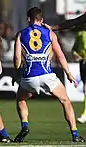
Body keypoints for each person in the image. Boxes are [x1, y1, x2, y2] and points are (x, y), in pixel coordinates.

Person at [13, 7, 85, 142]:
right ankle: (75, 134)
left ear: (29, 19)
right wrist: (68, 74)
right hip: (48, 76)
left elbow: (17, 59)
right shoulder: (50, 34)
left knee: (21, 100)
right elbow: (61, 56)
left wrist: (16, 74)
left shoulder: (21, 34)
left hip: (29, 78)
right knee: (65, 101)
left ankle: (25, 125)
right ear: (42, 20)